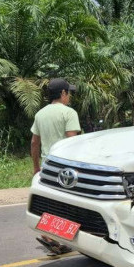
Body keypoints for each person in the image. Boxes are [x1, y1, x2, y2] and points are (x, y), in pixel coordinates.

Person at [30, 78, 81, 255]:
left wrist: (36, 167)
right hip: (64, 169)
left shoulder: (40, 114)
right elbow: (71, 140)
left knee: (51, 202)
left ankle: (50, 237)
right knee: (66, 204)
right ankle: (58, 240)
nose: (70, 96)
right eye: (69, 93)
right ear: (63, 93)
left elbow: (34, 142)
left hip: (47, 166)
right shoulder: (69, 113)